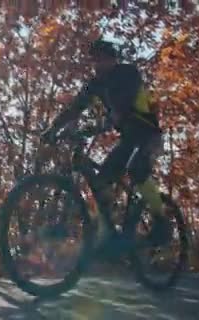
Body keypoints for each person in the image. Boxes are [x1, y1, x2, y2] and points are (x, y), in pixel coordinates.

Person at [41, 39, 171, 247]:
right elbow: (75, 107)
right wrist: (53, 129)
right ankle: (107, 235)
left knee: (137, 170)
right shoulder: (96, 84)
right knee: (102, 182)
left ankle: (161, 221)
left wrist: (111, 119)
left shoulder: (128, 73)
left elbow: (126, 100)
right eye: (95, 60)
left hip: (148, 134)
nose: (98, 63)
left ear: (112, 59)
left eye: (102, 58)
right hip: (128, 138)